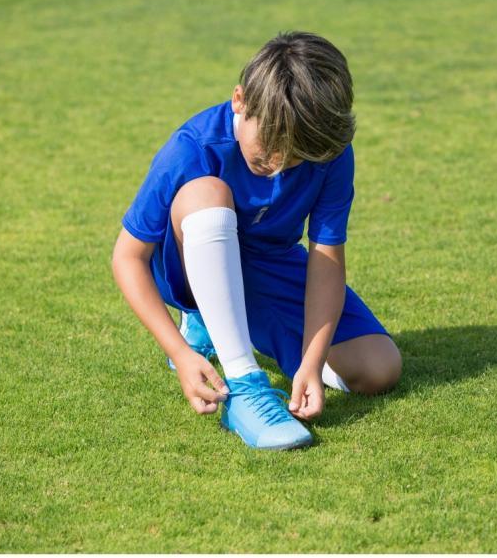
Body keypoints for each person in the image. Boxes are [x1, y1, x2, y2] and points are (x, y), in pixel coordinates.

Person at [112, 32, 402, 450]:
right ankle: (243, 386)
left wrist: (311, 361)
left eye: (295, 157)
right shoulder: (192, 147)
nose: (280, 166)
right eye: (269, 150)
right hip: (186, 268)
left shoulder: (327, 149)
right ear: (239, 100)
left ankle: (224, 325)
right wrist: (179, 354)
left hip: (269, 264)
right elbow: (127, 257)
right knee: (207, 194)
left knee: (379, 369)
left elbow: (325, 257)